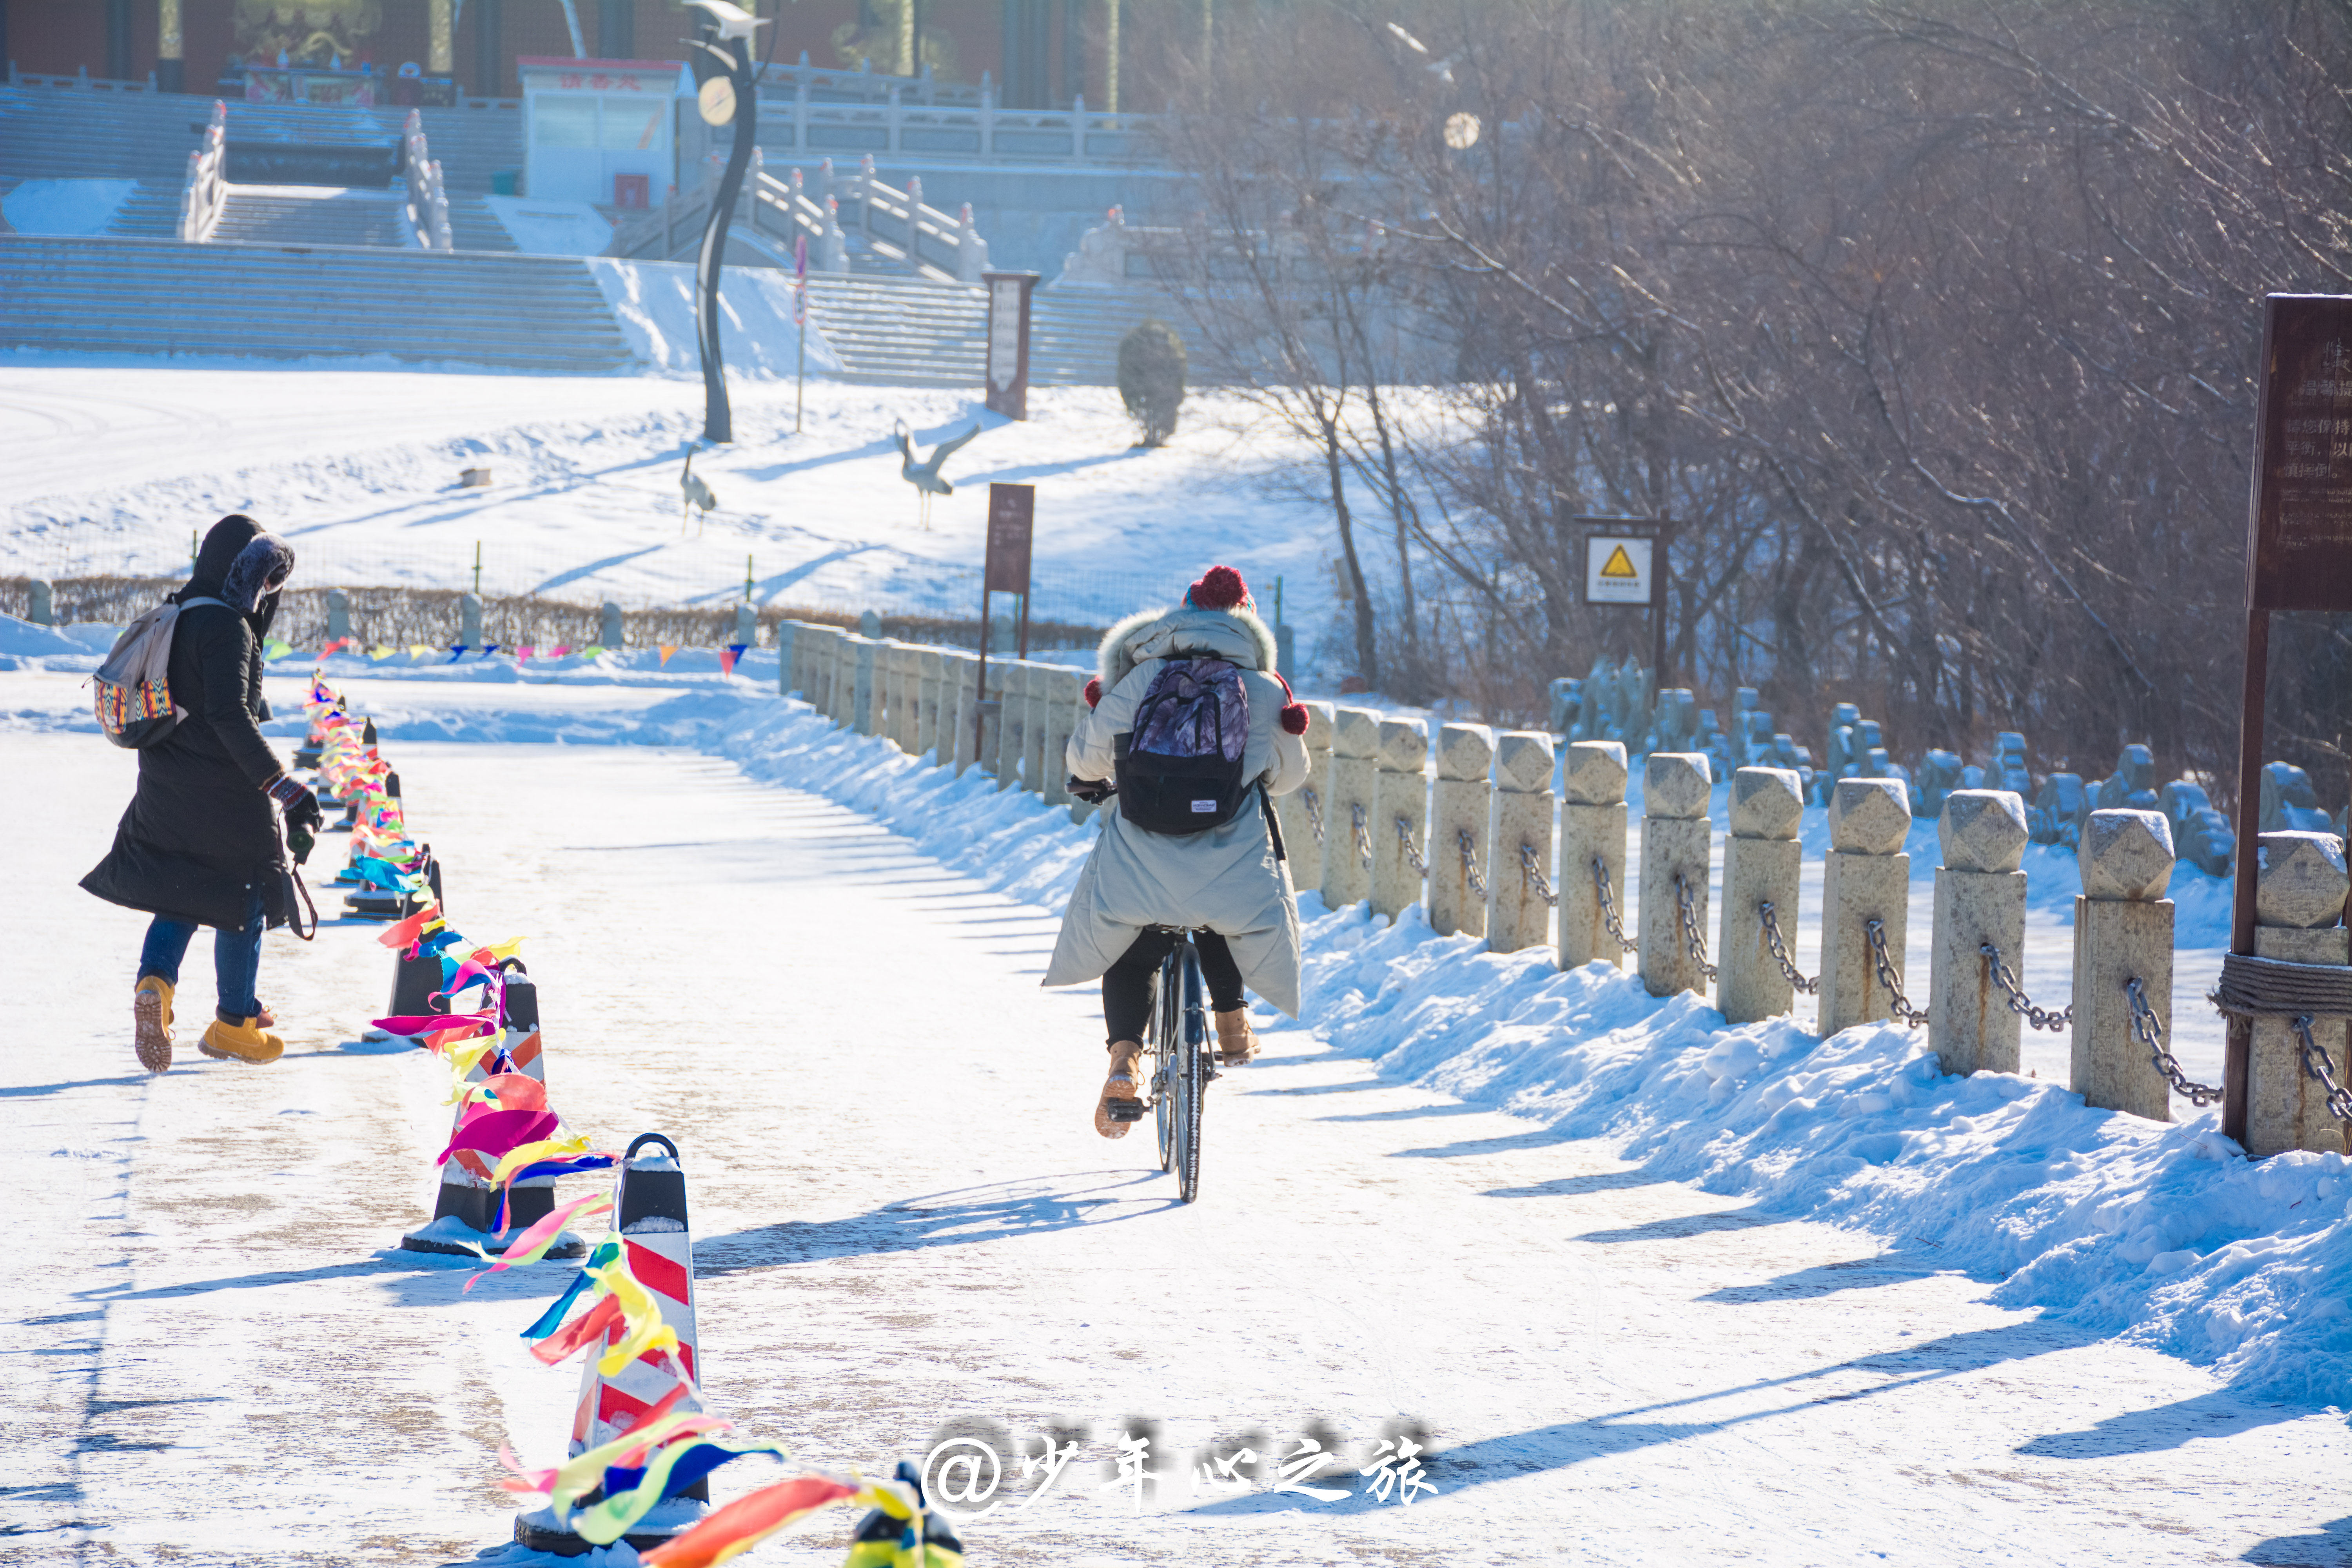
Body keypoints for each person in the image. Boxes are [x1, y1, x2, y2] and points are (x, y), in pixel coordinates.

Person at [1044, 566, 1310, 1137]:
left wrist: (1104, 776)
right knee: (1225, 918)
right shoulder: (1266, 690)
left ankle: (1124, 1061)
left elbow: (1087, 758)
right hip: (1231, 861)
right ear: (1249, 627)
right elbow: (1291, 776)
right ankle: (1232, 1023)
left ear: (1180, 620)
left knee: (1132, 950)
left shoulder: (1142, 679)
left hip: (1142, 859)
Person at [82, 515, 320, 1073]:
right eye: (266, 580)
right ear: (244, 570)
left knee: (181, 892)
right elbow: (229, 715)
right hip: (225, 789)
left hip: (164, 783)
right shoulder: (226, 626)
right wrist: (284, 787)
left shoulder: (179, 613)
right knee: (245, 898)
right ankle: (234, 1025)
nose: (268, 593)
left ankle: (155, 986)